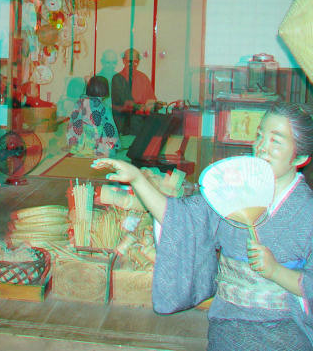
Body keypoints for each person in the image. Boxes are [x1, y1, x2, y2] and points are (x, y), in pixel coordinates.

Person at [92, 102, 313, 350]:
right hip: (229, 330)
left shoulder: (307, 212)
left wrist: (275, 272)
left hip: (285, 333)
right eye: (260, 136)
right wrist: (137, 179)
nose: (261, 147)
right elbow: (181, 218)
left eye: (276, 141)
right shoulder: (232, 193)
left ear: (301, 157)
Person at [67, 75, 120, 157]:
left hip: (79, 144)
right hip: (96, 146)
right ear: (105, 90)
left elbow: (72, 122)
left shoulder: (79, 103)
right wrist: (115, 144)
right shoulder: (103, 107)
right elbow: (109, 127)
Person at [110, 48, 157, 135]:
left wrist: (149, 107)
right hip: (124, 124)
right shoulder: (117, 78)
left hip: (142, 120)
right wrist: (141, 108)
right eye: (129, 61)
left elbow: (151, 99)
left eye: (135, 62)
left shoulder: (143, 78)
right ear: (123, 61)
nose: (133, 65)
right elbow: (126, 102)